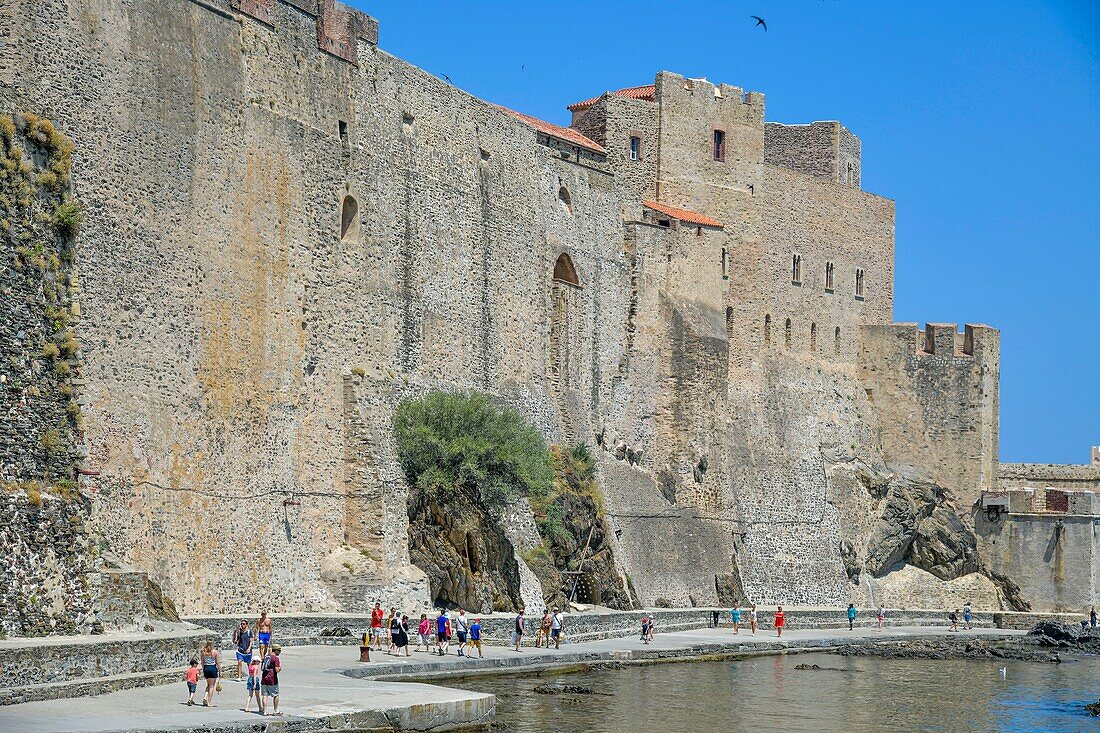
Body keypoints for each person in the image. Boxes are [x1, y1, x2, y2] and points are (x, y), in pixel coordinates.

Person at [260, 644, 282, 716]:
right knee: (276, 695)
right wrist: (280, 668)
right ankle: (275, 710)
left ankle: (265, 711)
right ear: (275, 650)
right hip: (272, 679)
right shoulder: (275, 658)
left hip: (264, 678)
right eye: (279, 650)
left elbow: (262, 668)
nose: (280, 652)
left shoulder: (266, 657)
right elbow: (277, 670)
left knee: (265, 695)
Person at [199, 639, 221, 707]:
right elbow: (217, 662)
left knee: (208, 684)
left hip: (206, 668)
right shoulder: (215, 652)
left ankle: (205, 697)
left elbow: (202, 662)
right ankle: (209, 702)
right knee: (211, 686)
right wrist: (220, 670)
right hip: (212, 668)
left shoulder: (203, 652)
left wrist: (203, 669)